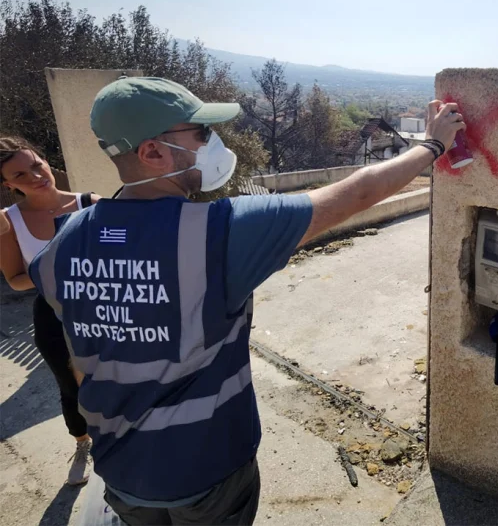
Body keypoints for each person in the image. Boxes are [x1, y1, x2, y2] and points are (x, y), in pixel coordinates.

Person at [28, 77, 464, 525]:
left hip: (120, 469)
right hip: (208, 472)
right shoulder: (217, 233)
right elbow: (357, 193)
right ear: (153, 152)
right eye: (201, 133)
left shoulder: (62, 245)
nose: (213, 142)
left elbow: (76, 350)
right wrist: (432, 145)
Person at [0, 137, 100, 486]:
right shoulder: (9, 222)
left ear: (45, 160)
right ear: (8, 184)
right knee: (71, 386)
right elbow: (15, 279)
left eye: (37, 165)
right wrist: (55, 269)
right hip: (53, 314)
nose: (36, 176)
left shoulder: (91, 204)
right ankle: (83, 443)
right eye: (20, 174)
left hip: (105, 308)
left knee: (121, 378)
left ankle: (125, 443)